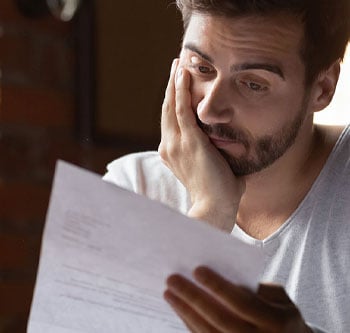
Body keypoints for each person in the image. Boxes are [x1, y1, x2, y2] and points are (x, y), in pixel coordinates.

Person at [103, 1, 350, 332]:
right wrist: (210, 212)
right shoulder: (134, 189)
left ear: (323, 88)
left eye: (252, 84)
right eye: (202, 69)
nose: (208, 110)